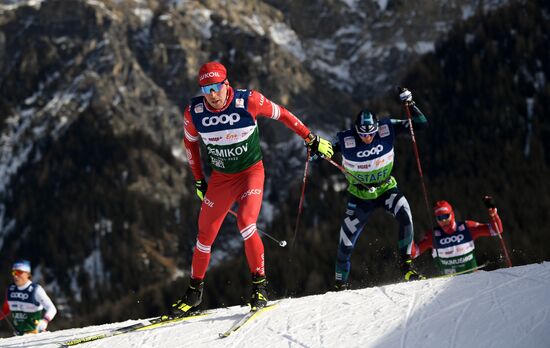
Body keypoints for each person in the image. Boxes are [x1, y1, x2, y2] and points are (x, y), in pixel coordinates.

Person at [172, 61, 333, 315]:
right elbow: (190, 145)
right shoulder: (193, 112)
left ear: (226, 84)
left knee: (246, 223)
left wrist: (311, 139)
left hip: (250, 174)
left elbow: (283, 114)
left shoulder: (250, 101)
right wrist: (199, 180)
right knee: (204, 237)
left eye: (216, 87)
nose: (212, 95)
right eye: (206, 89)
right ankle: (194, 292)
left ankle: (260, 286)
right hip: (221, 179)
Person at [326, 88, 428, 290]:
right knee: (346, 242)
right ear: (356, 129)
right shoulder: (345, 139)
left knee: (405, 214)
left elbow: (421, 123)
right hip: (360, 197)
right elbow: (326, 149)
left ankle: (406, 267)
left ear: (376, 128)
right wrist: (313, 151)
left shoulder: (386, 128)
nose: (367, 138)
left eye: (371, 134)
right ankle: (340, 284)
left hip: (386, 189)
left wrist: (410, 105)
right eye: (363, 135)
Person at [412, 197, 504, 275]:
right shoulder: (433, 235)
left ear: (452, 215)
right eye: (440, 218)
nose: (443, 220)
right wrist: (408, 235)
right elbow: (414, 252)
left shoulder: (467, 227)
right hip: (446, 280)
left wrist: (494, 215)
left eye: (446, 216)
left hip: (472, 276)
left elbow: (496, 230)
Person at [1, 260, 57, 335]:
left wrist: (45, 320)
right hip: (18, 336)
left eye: (19, 272)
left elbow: (52, 308)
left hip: (35, 335)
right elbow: (6, 309)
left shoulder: (36, 290)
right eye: (14, 272)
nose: (15, 276)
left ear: (27, 274)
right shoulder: (11, 289)